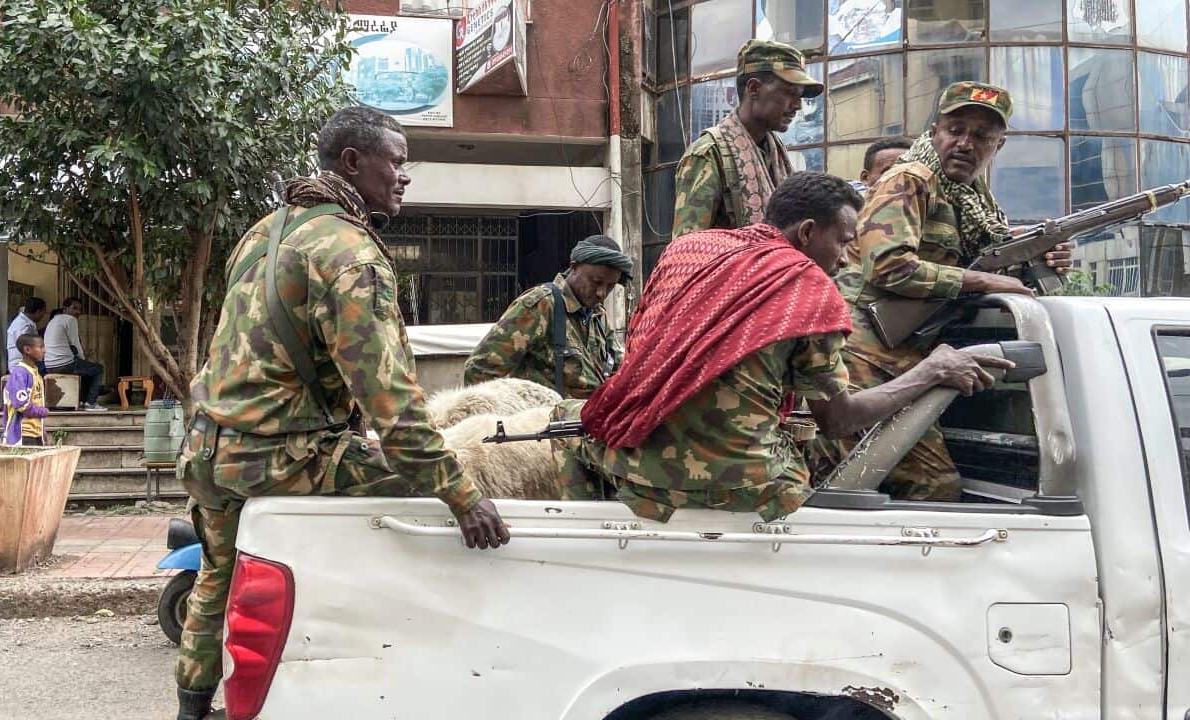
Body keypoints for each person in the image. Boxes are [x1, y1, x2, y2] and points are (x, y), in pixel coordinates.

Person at [172, 106, 510, 720]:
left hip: (208, 449)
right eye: (397, 161)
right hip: (280, 455)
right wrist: (462, 495)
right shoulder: (350, 254)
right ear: (353, 163)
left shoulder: (264, 232)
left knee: (213, 583)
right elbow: (392, 402)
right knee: (431, 484)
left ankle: (191, 711)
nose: (405, 176)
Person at [555, 172, 1012, 523]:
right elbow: (840, 419)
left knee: (564, 421)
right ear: (808, 232)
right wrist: (932, 370)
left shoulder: (688, 251)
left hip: (634, 466)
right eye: (844, 241)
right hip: (745, 488)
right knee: (814, 462)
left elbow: (645, 338)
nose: (847, 257)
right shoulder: (810, 292)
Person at [808, 82, 1073, 501]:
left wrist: (1041, 258)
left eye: (981, 136)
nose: (966, 143)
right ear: (934, 134)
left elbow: (983, 256)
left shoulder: (973, 201)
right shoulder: (910, 179)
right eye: (956, 130)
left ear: (997, 146)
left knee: (914, 486)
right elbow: (889, 265)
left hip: (906, 356)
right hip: (860, 353)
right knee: (855, 484)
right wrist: (984, 281)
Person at [671, 39, 823, 238]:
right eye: (789, 93)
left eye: (800, 96)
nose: (798, 105)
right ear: (753, 89)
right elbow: (687, 252)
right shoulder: (709, 154)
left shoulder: (777, 157)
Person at [463, 235, 630, 399]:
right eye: (596, 281)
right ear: (574, 267)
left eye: (610, 286)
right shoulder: (541, 305)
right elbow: (479, 371)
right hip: (545, 422)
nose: (601, 293)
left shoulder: (598, 316)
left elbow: (617, 370)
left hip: (591, 422)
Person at [43, 297, 107, 411]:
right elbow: (75, 343)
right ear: (65, 309)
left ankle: (83, 400)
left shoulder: (53, 320)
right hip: (64, 364)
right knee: (98, 369)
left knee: (87, 369)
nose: (78, 312)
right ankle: (91, 403)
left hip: (49, 365)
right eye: (74, 308)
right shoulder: (70, 320)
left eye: (80, 309)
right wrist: (82, 359)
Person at [2, 334, 49, 447]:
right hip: (22, 435)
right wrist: (43, 412)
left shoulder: (36, 373)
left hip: (35, 434)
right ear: (27, 350)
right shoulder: (20, 373)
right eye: (41, 347)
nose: (44, 350)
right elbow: (22, 405)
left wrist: (42, 429)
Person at [5, 297, 46, 372]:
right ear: (38, 311)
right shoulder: (23, 326)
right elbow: (28, 349)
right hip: (21, 366)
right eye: (43, 312)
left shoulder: (26, 322)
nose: (43, 316)